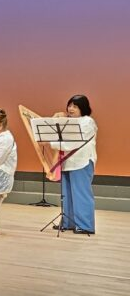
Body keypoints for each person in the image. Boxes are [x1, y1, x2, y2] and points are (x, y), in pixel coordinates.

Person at [48, 95, 97, 234]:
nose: (71, 109)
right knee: (66, 195)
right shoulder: (68, 122)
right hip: (67, 162)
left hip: (82, 162)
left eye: (75, 106)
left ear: (83, 108)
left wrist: (50, 143)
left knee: (81, 194)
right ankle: (68, 223)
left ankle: (85, 225)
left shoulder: (88, 122)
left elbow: (74, 142)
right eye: (69, 105)